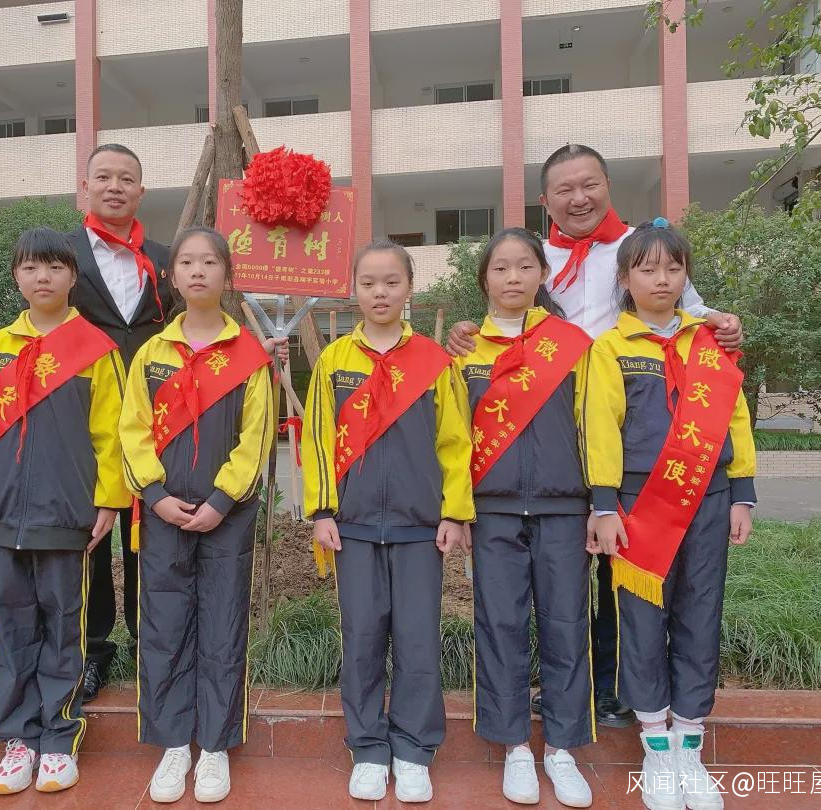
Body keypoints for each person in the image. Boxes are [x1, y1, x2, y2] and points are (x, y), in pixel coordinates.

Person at [447, 144, 744, 729]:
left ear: (607, 185)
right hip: (548, 431)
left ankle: (616, 689)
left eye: (589, 185)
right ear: (545, 200)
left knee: (621, 568)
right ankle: (567, 689)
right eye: (565, 190)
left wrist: (724, 324)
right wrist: (463, 331)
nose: (578, 198)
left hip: (629, 436)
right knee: (563, 577)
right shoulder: (534, 257)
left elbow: (691, 314)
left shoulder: (640, 247)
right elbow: (503, 316)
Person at [0, 227, 130, 795]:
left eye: (54, 267)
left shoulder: (97, 350)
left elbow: (112, 433)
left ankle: (58, 739)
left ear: (73, 276)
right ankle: (18, 741)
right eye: (30, 267)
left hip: (67, 517)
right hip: (1, 515)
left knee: (64, 630)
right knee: (12, 630)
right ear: (16, 277)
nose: (43, 277)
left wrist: (109, 500)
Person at [584, 221, 755, 810]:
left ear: (686, 276)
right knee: (641, 619)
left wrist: (742, 493)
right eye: (647, 268)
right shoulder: (610, 348)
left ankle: (690, 741)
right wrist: (603, 505)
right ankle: (656, 743)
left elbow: (734, 418)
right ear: (625, 279)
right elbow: (601, 429)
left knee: (700, 613)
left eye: (673, 268)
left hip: (708, 501)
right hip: (639, 507)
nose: (661, 279)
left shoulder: (709, 343)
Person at [301, 240, 474, 804]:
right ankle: (369, 747)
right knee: (362, 640)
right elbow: (317, 441)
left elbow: (455, 442)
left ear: (410, 289)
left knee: (419, 641)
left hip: (420, 527)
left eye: (391, 282)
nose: (380, 293)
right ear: (353, 290)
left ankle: (415, 749)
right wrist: (322, 511)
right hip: (351, 527)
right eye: (369, 283)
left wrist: (454, 512)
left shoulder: (434, 361)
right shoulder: (334, 361)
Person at [120, 227, 274, 804]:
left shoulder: (249, 356)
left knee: (222, 627)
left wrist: (221, 501)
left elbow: (255, 440)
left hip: (225, 517)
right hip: (163, 513)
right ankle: (172, 744)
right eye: (187, 262)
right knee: (163, 626)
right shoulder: (151, 354)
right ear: (173, 275)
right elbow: (132, 430)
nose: (198, 271)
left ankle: (213, 745)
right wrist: (155, 494)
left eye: (210, 262)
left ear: (227, 275)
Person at [451, 228, 596, 808]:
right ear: (484, 279)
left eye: (524, 266)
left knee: (567, 625)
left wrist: (600, 502)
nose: (513, 277)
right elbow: (453, 438)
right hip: (493, 511)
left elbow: (592, 424)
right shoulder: (465, 352)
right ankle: (514, 745)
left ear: (542, 274)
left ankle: (561, 748)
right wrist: (458, 511)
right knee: (500, 625)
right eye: (500, 268)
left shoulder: (573, 344)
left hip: (564, 507)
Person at [66, 143, 174, 704]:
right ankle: (90, 651)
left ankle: (149, 645)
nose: (115, 186)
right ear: (84, 187)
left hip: (155, 418)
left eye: (126, 178)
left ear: (141, 191)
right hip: (80, 418)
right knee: (89, 534)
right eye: (103, 177)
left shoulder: (166, 258)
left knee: (148, 532)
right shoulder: (59, 255)